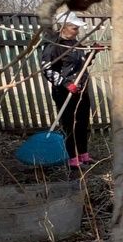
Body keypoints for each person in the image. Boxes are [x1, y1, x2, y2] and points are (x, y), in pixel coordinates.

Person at [40, 10, 98, 168]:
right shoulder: (53, 46)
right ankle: (72, 160)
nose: (77, 31)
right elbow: (47, 69)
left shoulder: (75, 43)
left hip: (81, 90)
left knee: (82, 123)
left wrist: (92, 53)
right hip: (64, 92)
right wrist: (65, 84)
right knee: (69, 125)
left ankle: (83, 155)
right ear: (63, 27)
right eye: (74, 28)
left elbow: (81, 63)